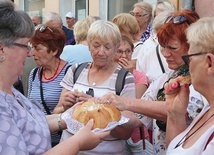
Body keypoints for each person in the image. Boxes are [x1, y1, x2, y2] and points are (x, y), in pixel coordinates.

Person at [0, 1, 109, 154]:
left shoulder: (10, 91)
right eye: (26, 46)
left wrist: (71, 115)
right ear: (2, 49)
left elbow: (31, 124)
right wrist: (77, 143)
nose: (30, 53)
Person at [99, 10, 205, 155]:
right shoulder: (164, 79)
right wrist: (104, 111)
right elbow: (137, 117)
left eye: (172, 48)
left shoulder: (203, 80)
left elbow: (180, 111)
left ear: (192, 46)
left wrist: (126, 102)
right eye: (162, 46)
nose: (165, 53)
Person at [55, 20, 137, 154]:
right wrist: (66, 106)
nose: (101, 52)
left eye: (107, 47)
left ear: (116, 47)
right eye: (96, 45)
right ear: (88, 45)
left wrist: (97, 108)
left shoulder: (124, 78)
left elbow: (126, 133)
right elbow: (57, 112)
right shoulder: (76, 71)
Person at [164, 17, 214, 154]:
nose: (188, 65)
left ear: (209, 63)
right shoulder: (208, 109)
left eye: (189, 58)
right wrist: (175, 115)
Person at [27, 24, 71, 147]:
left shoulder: (70, 72)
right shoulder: (34, 73)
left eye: (37, 48)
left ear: (54, 50)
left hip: (61, 142)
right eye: (32, 48)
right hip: (37, 141)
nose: (32, 53)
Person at [114, 35, 150, 154]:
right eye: (119, 51)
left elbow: (136, 103)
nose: (124, 56)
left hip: (135, 136)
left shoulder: (139, 76)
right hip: (114, 134)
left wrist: (129, 75)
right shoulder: (108, 74)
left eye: (128, 51)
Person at [136, 11, 174, 84]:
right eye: (158, 33)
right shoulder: (147, 50)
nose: (162, 37)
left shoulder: (184, 53)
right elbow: (140, 82)